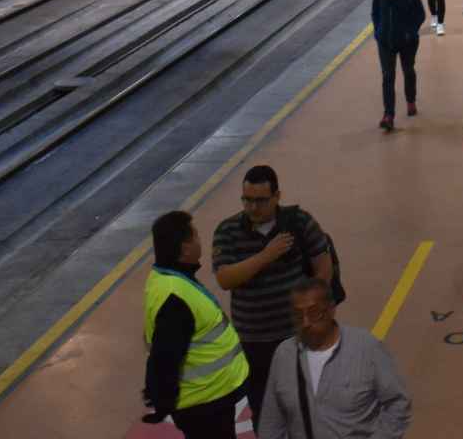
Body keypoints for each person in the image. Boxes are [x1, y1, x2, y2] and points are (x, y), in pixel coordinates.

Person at [212, 166, 333, 422]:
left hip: (296, 335)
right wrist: (267, 255)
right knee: (264, 409)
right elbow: (225, 278)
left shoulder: (300, 222)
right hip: (254, 342)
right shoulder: (228, 231)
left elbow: (323, 267)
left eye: (261, 200)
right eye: (247, 200)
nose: (253, 207)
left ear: (277, 196)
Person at [255, 277, 412, 439]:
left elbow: (397, 403)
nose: (306, 322)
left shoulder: (367, 347)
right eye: (298, 315)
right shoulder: (284, 355)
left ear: (331, 309)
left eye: (314, 313)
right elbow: (271, 422)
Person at [143, 211, 251, 438]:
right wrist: (162, 400)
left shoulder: (167, 280)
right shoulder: (175, 297)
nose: (200, 241)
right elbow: (165, 356)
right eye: (196, 236)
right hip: (204, 403)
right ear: (184, 248)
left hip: (209, 398)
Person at [371, 0, 425, 132]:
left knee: (408, 70)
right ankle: (389, 115)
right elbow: (375, 13)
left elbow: (420, 14)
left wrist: (410, 32)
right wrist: (379, 32)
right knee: (388, 77)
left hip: (406, 41)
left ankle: (410, 100)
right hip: (385, 41)